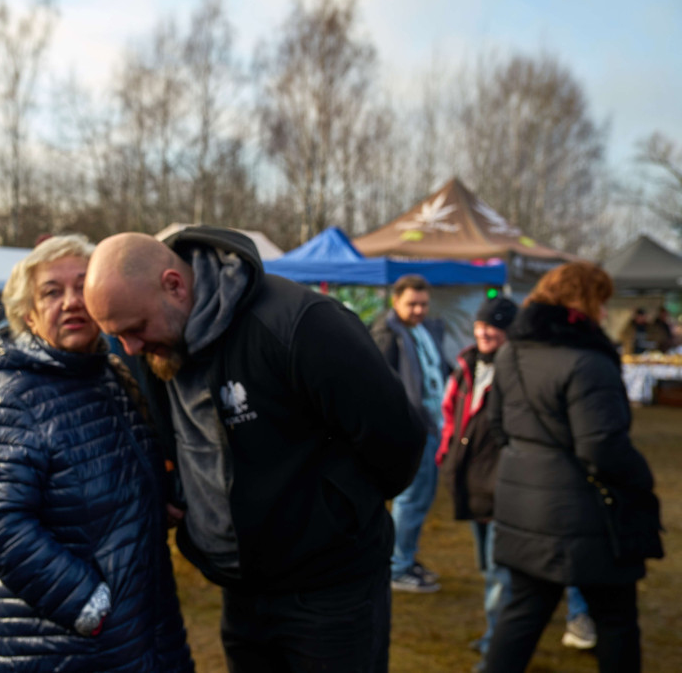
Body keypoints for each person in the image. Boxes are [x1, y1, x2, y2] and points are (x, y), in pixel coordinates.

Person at [83, 228, 425, 673]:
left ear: (174, 285)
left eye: (135, 329)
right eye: (117, 336)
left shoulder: (299, 323)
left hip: (331, 592)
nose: (129, 347)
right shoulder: (155, 342)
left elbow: (397, 437)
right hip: (240, 592)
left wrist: (338, 511)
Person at [0, 234, 193, 673]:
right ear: (28, 314)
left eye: (82, 287)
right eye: (52, 292)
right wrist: (87, 602)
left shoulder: (110, 375)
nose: (71, 302)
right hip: (70, 643)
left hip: (147, 621)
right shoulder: (13, 392)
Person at [484, 261, 663, 673]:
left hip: (524, 508)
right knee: (616, 621)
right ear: (583, 302)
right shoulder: (588, 361)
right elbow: (603, 447)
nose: (604, 312)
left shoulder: (511, 353)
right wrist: (642, 480)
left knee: (521, 616)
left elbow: (498, 426)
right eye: (601, 302)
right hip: (587, 515)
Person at [436, 295, 517, 669]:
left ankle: (496, 650)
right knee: (488, 569)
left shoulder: (516, 371)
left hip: (502, 485)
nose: (485, 332)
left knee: (500, 573)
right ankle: (494, 635)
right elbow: (450, 414)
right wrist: (446, 454)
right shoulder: (466, 365)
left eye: (495, 326)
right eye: (482, 325)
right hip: (472, 482)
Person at [370, 274, 450, 593]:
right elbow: (380, 385)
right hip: (412, 429)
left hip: (432, 424)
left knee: (423, 497)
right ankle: (397, 567)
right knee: (411, 498)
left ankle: (405, 557)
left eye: (423, 304)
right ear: (395, 301)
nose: (419, 310)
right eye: (412, 304)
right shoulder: (386, 334)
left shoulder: (424, 329)